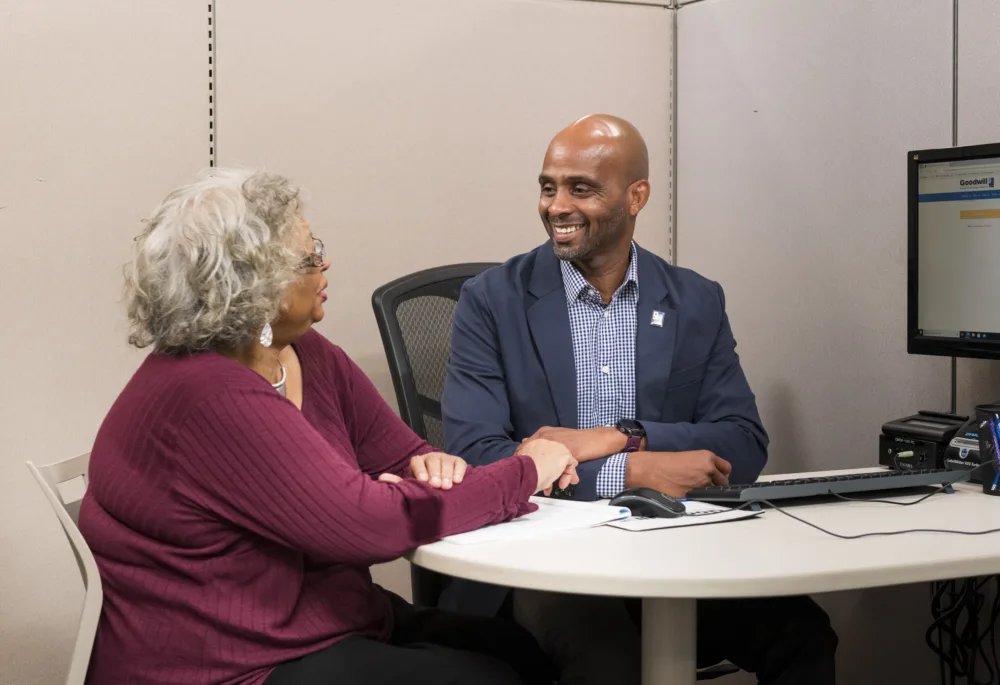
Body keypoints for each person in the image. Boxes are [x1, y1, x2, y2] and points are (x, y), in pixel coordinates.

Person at [77, 168, 578, 685]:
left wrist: (430, 468)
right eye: (307, 256)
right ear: (253, 284)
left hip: (320, 619)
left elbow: (400, 459)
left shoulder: (304, 354)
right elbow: (367, 526)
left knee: (517, 648)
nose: (325, 261)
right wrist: (524, 471)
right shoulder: (206, 393)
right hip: (229, 661)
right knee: (491, 679)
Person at [440, 115, 838, 684]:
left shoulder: (695, 299)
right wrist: (633, 470)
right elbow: (477, 453)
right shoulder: (491, 301)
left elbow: (744, 442)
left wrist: (631, 436)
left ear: (637, 196)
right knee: (608, 660)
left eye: (581, 188)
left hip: (674, 546)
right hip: (544, 560)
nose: (556, 205)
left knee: (802, 634)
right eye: (548, 186)